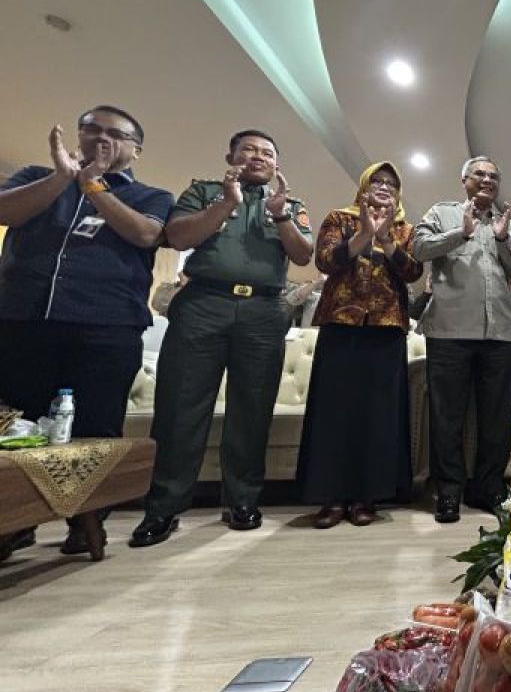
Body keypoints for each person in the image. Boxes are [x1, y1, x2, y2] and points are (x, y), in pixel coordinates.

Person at [0, 106, 173, 560]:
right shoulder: (37, 176)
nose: (100, 139)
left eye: (114, 134)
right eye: (91, 129)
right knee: (17, 426)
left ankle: (86, 521)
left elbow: (144, 235)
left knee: (97, 428)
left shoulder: (151, 195)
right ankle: (16, 521)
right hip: (23, 321)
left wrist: (93, 185)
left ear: (134, 149)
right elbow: (6, 212)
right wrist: (63, 177)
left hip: (107, 324)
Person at [131, 130, 313, 547]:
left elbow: (303, 256)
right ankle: (163, 508)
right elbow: (178, 238)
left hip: (264, 311)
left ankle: (242, 501)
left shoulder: (291, 203)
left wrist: (281, 214)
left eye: (268, 152)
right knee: (180, 407)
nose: (258, 157)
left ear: (276, 164)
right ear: (230, 155)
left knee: (252, 409)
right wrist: (227, 202)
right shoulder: (203, 191)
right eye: (249, 149)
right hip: (203, 303)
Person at [296, 162, 423, 528]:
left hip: (386, 329)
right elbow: (325, 260)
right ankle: (331, 499)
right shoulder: (340, 218)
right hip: (342, 325)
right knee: (334, 412)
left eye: (391, 184)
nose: (384, 187)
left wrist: (385, 239)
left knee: (378, 416)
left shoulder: (405, 229)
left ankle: (368, 497)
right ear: (364, 188)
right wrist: (363, 234)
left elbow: (413, 273)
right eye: (377, 182)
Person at [412, 155, 511, 524]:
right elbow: (419, 249)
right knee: (448, 416)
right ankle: (449, 491)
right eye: (480, 174)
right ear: (464, 180)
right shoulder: (442, 213)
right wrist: (462, 232)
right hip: (450, 329)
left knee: (497, 418)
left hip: (502, 332)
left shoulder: (508, 222)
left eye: (494, 175)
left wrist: (504, 239)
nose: (488, 179)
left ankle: (488, 488)